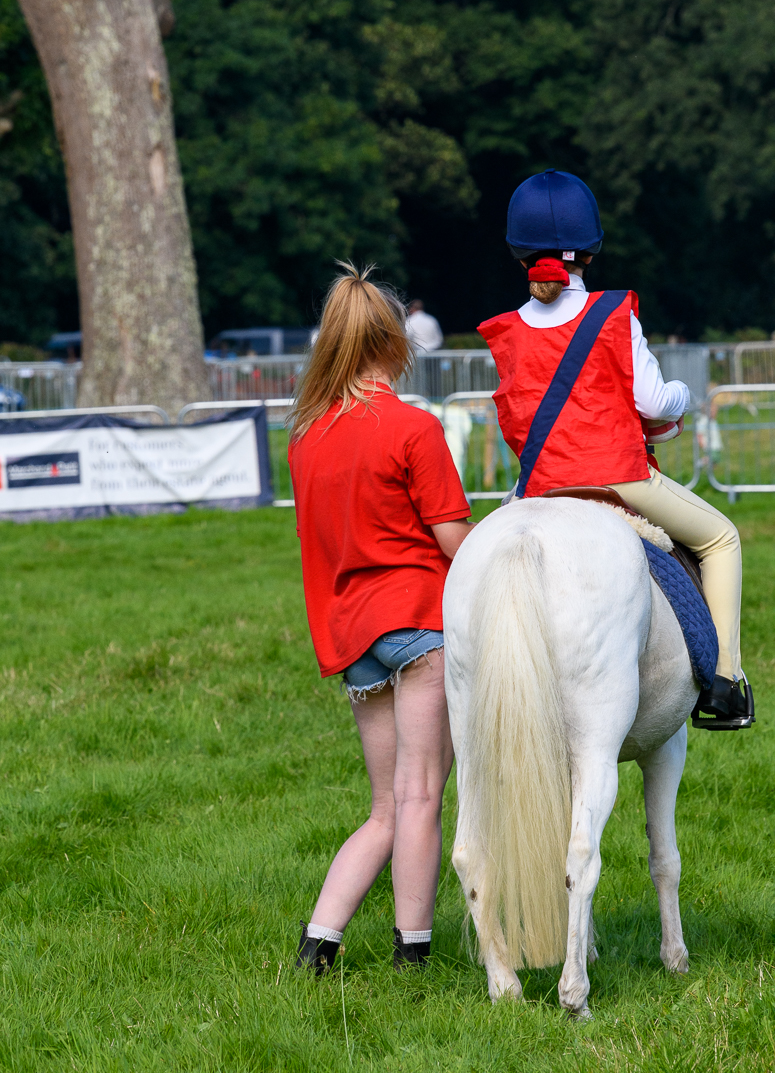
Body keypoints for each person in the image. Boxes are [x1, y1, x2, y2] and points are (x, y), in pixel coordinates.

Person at [477, 168, 750, 727]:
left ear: (518, 254)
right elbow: (654, 401)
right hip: (620, 477)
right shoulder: (612, 314)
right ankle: (726, 683)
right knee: (722, 538)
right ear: (590, 251)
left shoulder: (506, 331)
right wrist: (683, 394)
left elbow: (517, 420)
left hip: (539, 487)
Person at [288, 262, 474, 974]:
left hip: (352, 637)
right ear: (394, 343)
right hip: (420, 624)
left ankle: (318, 944)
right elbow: (453, 541)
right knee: (421, 795)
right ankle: (411, 956)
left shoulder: (306, 435)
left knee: (385, 808)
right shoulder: (413, 427)